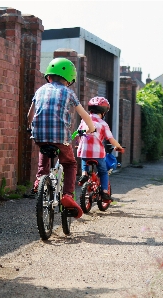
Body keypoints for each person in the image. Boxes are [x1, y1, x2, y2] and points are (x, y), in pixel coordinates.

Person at [27, 57, 95, 218]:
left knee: (44, 148)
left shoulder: (40, 90)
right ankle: (67, 195)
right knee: (70, 163)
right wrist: (91, 128)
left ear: (48, 76)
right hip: (61, 137)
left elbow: (30, 114)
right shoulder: (69, 92)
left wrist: (29, 127)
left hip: (39, 135)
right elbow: (84, 114)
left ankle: (39, 180)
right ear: (70, 80)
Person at [77, 96, 124, 201]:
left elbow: (78, 134)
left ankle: (84, 174)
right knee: (103, 172)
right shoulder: (103, 124)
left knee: (85, 160)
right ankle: (104, 192)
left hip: (84, 151)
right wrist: (118, 147)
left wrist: (79, 144)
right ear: (104, 112)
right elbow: (111, 139)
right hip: (98, 154)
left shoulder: (84, 121)